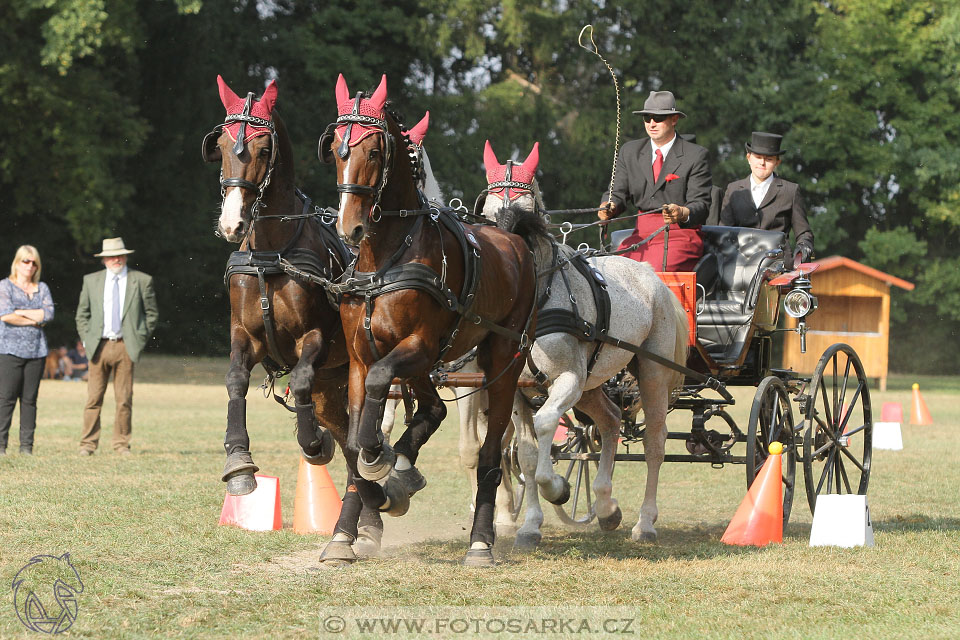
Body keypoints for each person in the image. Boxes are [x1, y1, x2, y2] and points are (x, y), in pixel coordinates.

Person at [598, 90, 713, 271]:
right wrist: (609, 206)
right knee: (617, 271)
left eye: (658, 118)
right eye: (647, 118)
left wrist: (682, 212)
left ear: (674, 119)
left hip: (680, 235)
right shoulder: (630, 152)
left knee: (652, 273)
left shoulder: (695, 155)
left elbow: (702, 204)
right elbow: (617, 192)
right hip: (641, 234)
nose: (651, 123)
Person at [76, 237, 158, 455]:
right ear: (104, 260)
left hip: (126, 346)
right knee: (93, 399)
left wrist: (139, 339)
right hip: (97, 347)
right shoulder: (90, 281)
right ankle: (88, 445)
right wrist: (87, 340)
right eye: (111, 256)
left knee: (124, 399)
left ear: (126, 256)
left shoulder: (141, 280)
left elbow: (151, 314)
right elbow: (82, 315)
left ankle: (121, 444)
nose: (116, 259)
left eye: (119, 255)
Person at [720, 131, 814, 266]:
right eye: (758, 157)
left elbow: (804, 232)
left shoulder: (790, 191)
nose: (762, 163)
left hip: (777, 264)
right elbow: (723, 231)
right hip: (739, 263)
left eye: (769, 159)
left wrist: (804, 247)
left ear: (777, 162)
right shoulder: (733, 189)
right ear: (748, 158)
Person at [0, 245, 54, 455]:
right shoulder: (5, 286)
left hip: (37, 351)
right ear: (17, 262)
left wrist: (20, 312)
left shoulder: (42, 288)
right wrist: (34, 317)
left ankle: (26, 447)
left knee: (30, 400)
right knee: (6, 398)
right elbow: (5, 315)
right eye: (26, 261)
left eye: (34, 263)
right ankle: (1, 446)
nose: (30, 266)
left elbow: (48, 315)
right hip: (9, 350)